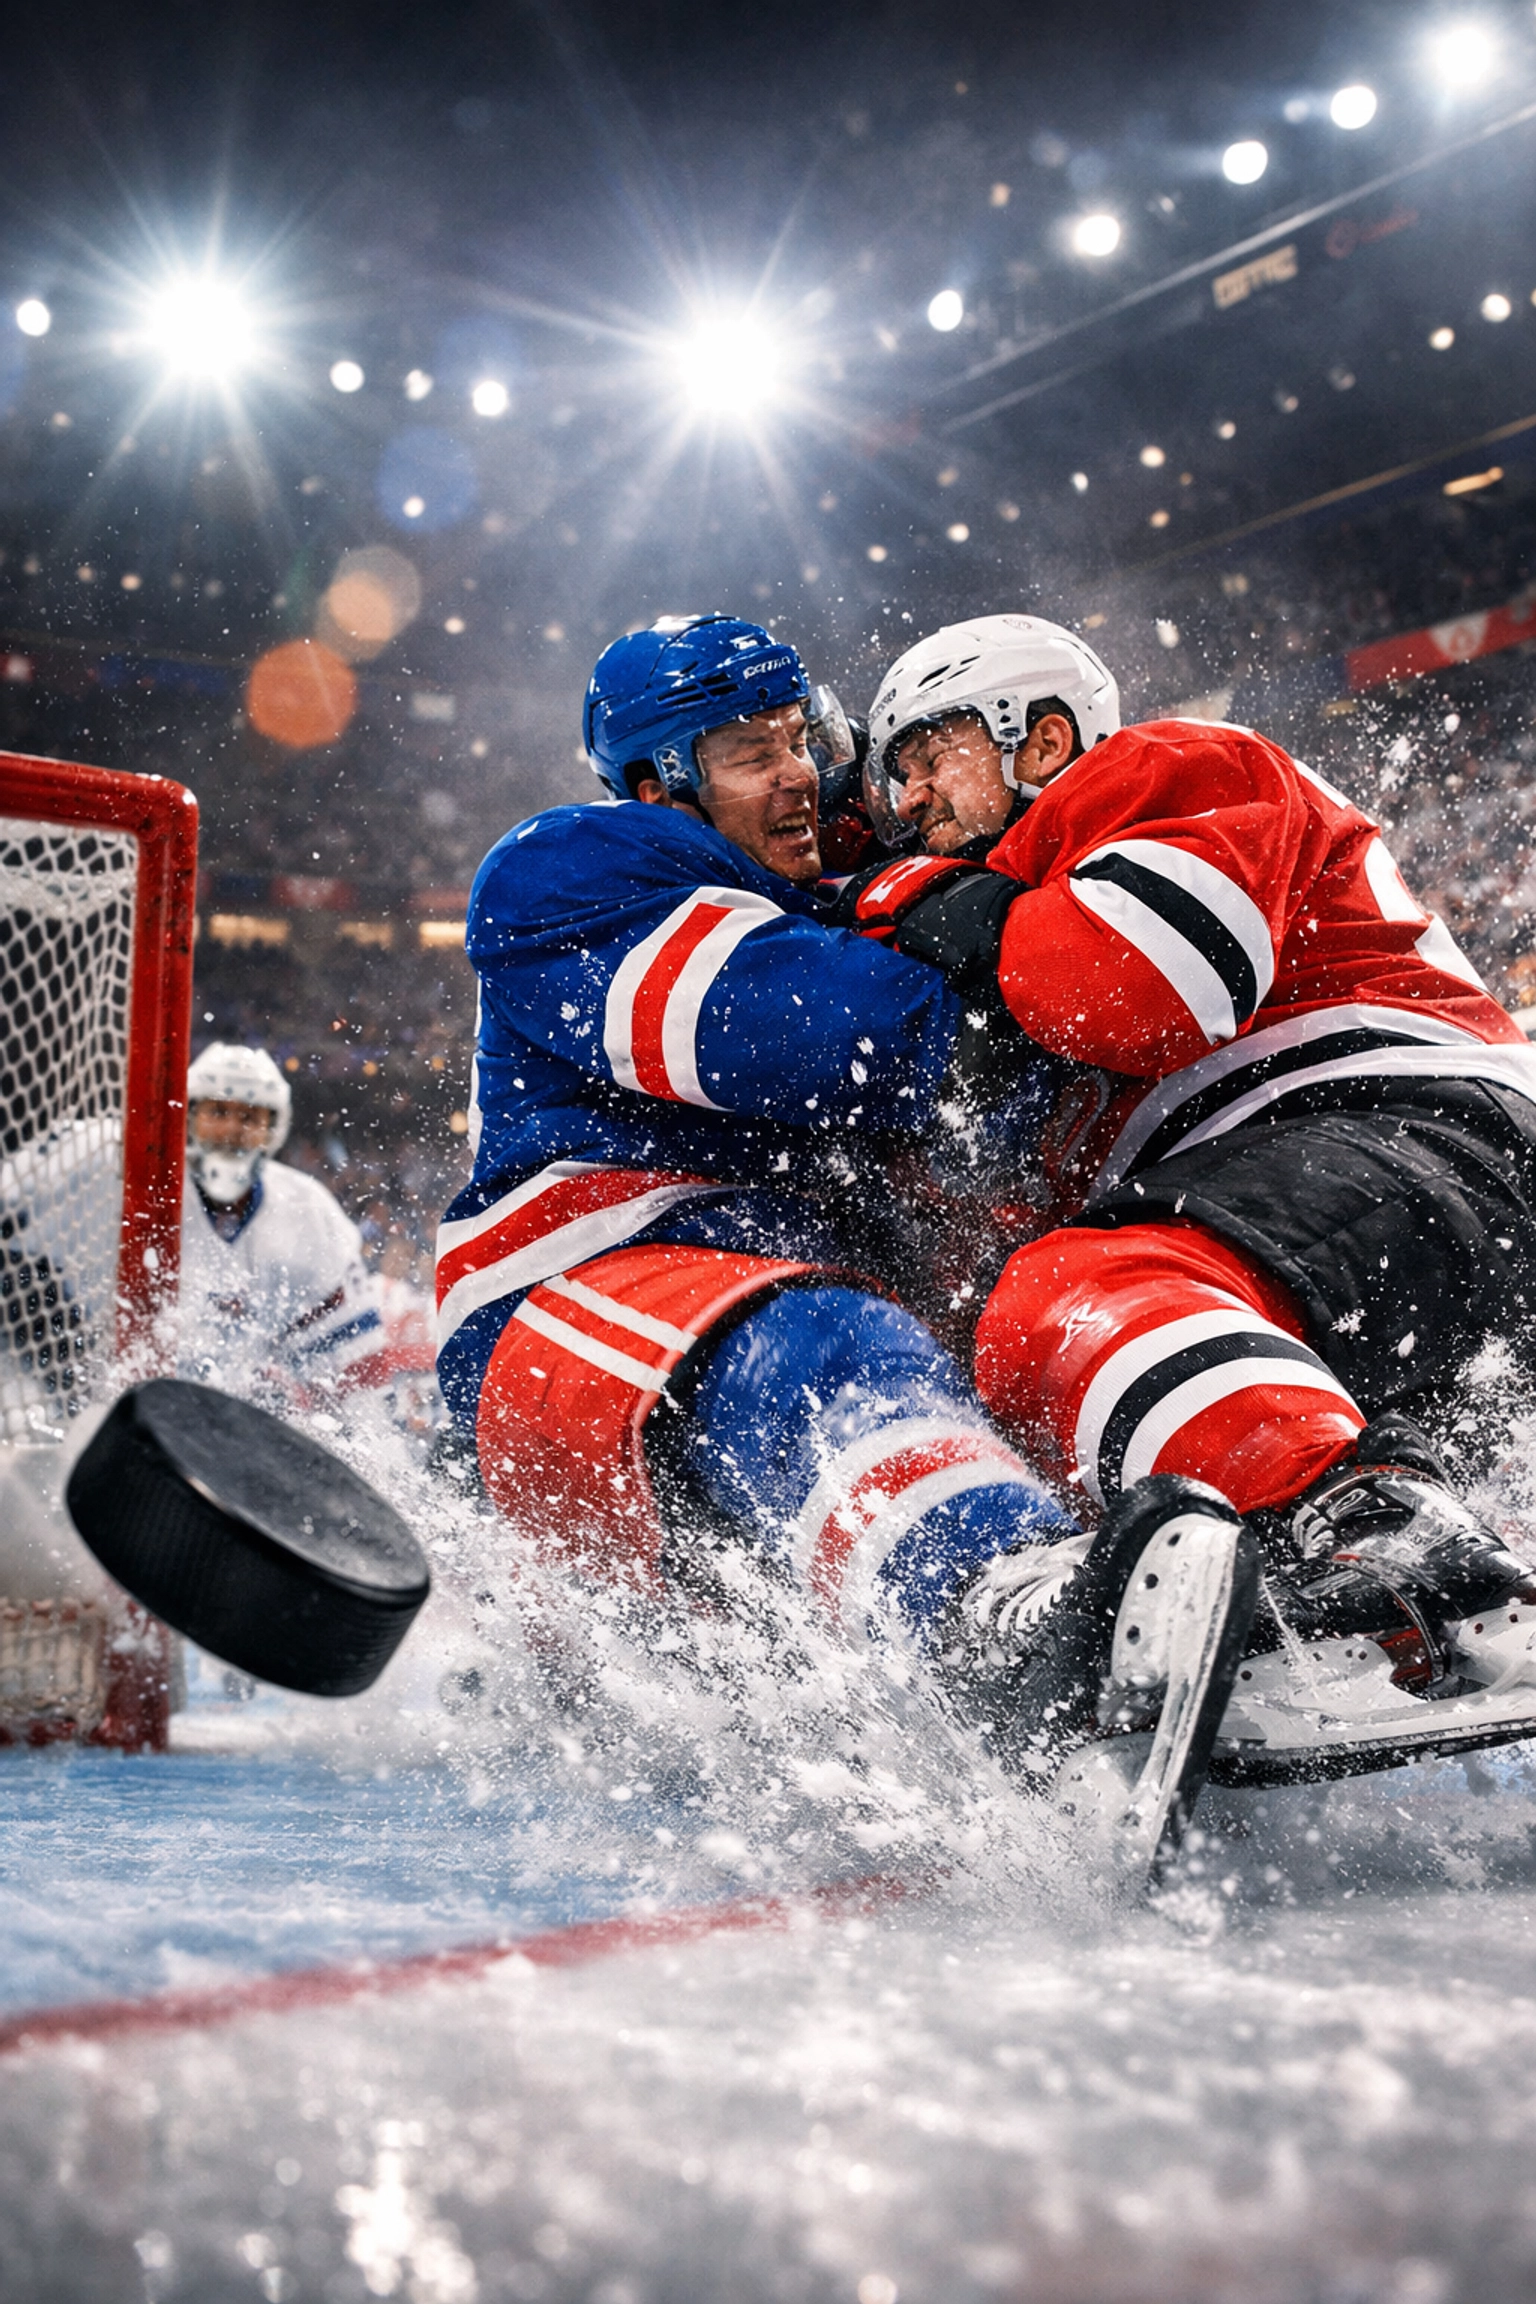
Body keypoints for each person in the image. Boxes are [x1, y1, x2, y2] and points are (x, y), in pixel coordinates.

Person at [436, 612, 1259, 1854]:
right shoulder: (572, 870)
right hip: (578, 1306)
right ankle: (1004, 1627)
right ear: (662, 782)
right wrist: (1018, 938)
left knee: (1017, 1344)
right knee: (823, 1342)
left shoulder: (825, 884)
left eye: (799, 739)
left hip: (736, 1345)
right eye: (750, 753)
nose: (799, 776)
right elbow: (855, 1046)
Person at [838, 612, 1536, 1731]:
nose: (909, 802)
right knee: (1049, 1372)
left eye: (929, 758)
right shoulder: (1049, 902)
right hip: (1367, 1206)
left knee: (1068, 1298)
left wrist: (935, 908)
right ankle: (1396, 1604)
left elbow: (1144, 982)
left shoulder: (1161, 765)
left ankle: (1385, 1533)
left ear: (1043, 739)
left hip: (1405, 1130)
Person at [180, 1043, 386, 1399]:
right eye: (217, 1111)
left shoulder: (310, 1210)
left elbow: (359, 1374)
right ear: (190, 1116)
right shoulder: (142, 1190)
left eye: (249, 1117)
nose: (232, 1128)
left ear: (272, 1128)